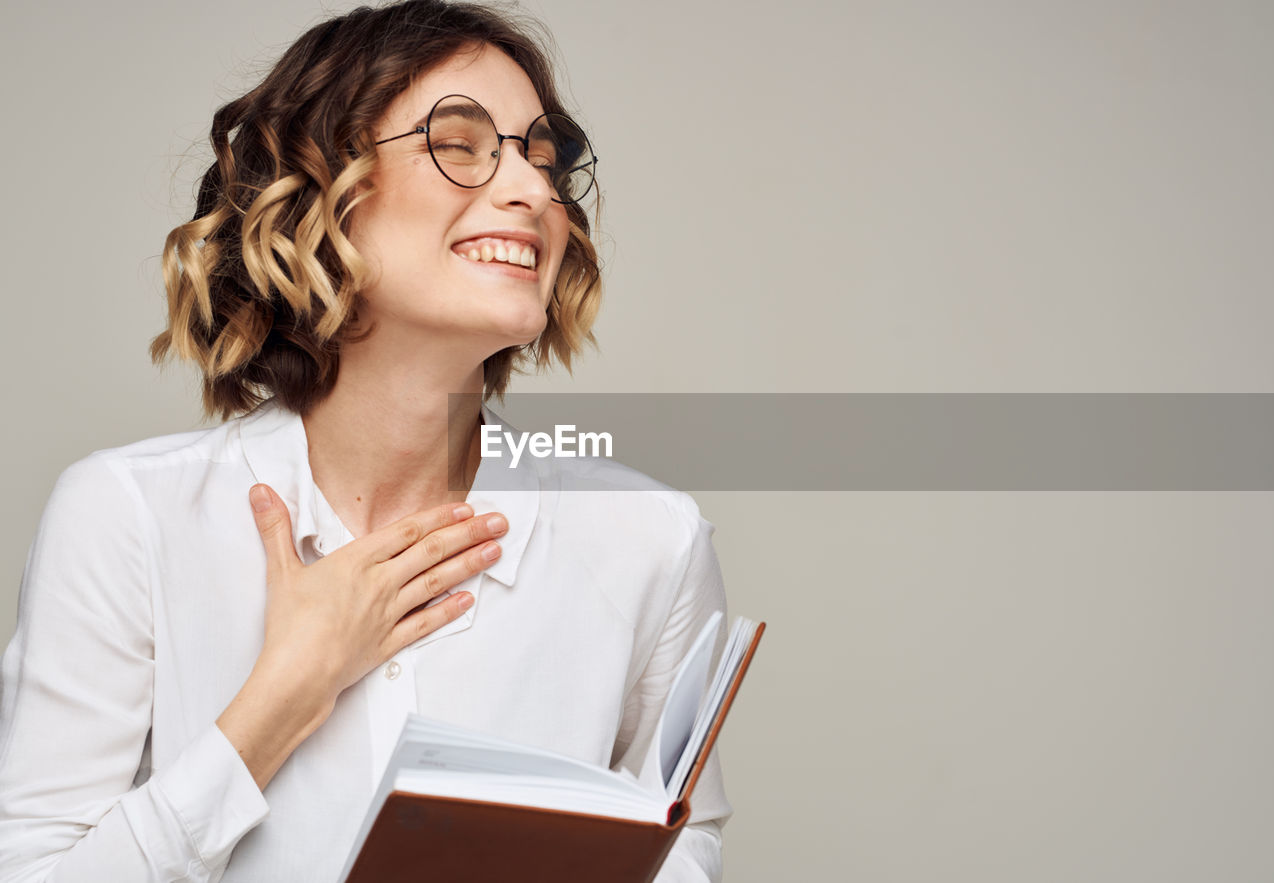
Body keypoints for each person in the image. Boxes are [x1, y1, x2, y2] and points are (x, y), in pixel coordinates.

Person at [0, 1, 732, 880]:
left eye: (546, 157)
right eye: (460, 144)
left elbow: (684, 840)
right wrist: (282, 698)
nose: (536, 190)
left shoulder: (650, 539)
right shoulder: (129, 518)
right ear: (320, 192)